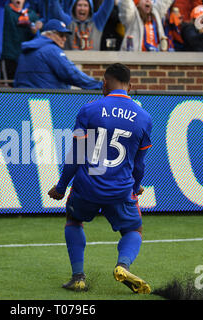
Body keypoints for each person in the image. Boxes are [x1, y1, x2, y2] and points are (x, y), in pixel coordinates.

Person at [48, 63, 152, 293]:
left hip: (88, 186)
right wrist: (135, 187)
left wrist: (61, 186)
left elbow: (76, 154)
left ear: (104, 83)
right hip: (120, 188)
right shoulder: (144, 117)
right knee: (134, 230)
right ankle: (122, 265)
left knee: (74, 221)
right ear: (130, 86)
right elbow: (139, 163)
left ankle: (78, 277)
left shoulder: (89, 110)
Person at [13, 19, 102, 89]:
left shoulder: (27, 49)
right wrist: (99, 85)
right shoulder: (51, 49)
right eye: (61, 35)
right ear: (49, 34)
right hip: (45, 103)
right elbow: (72, 74)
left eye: (66, 36)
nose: (64, 39)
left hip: (23, 102)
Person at [1, 0, 42, 82]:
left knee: (23, 85)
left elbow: (37, 37)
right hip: (8, 57)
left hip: (25, 58)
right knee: (8, 86)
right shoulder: (5, 11)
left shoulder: (31, 14)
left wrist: (36, 29)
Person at [49, 0, 114, 50]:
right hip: (70, 63)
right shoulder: (68, 21)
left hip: (92, 64)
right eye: (79, 5)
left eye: (85, 5)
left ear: (90, 8)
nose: (82, 8)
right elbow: (55, 8)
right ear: (74, 7)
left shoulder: (98, 21)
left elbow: (109, 3)